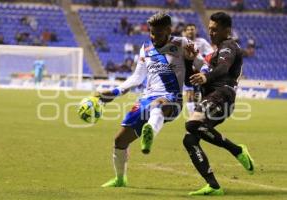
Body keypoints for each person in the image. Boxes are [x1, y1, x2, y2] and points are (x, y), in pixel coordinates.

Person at [94, 12, 196, 187]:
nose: (153, 36)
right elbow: (137, 77)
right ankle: (120, 179)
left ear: (168, 30)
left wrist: (194, 65)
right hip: (147, 99)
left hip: (172, 98)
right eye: (151, 32)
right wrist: (114, 92)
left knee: (159, 105)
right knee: (120, 141)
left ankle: (149, 132)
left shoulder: (181, 43)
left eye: (158, 33)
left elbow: (198, 65)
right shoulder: (146, 48)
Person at [183, 12, 254, 196]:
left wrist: (206, 75)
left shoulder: (229, 46)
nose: (211, 33)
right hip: (213, 98)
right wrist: (189, 61)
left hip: (222, 95)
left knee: (192, 124)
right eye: (209, 29)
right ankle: (213, 185)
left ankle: (237, 150)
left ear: (226, 30)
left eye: (215, 29)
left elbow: (223, 68)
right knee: (190, 139)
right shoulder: (215, 52)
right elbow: (191, 79)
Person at [182, 23, 213, 117]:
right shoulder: (182, 42)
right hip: (187, 72)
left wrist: (201, 62)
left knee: (197, 96)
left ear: (196, 31)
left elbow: (210, 54)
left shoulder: (202, 42)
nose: (191, 31)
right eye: (188, 29)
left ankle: (197, 114)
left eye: (192, 29)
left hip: (199, 72)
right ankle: (193, 117)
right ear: (185, 31)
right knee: (189, 95)